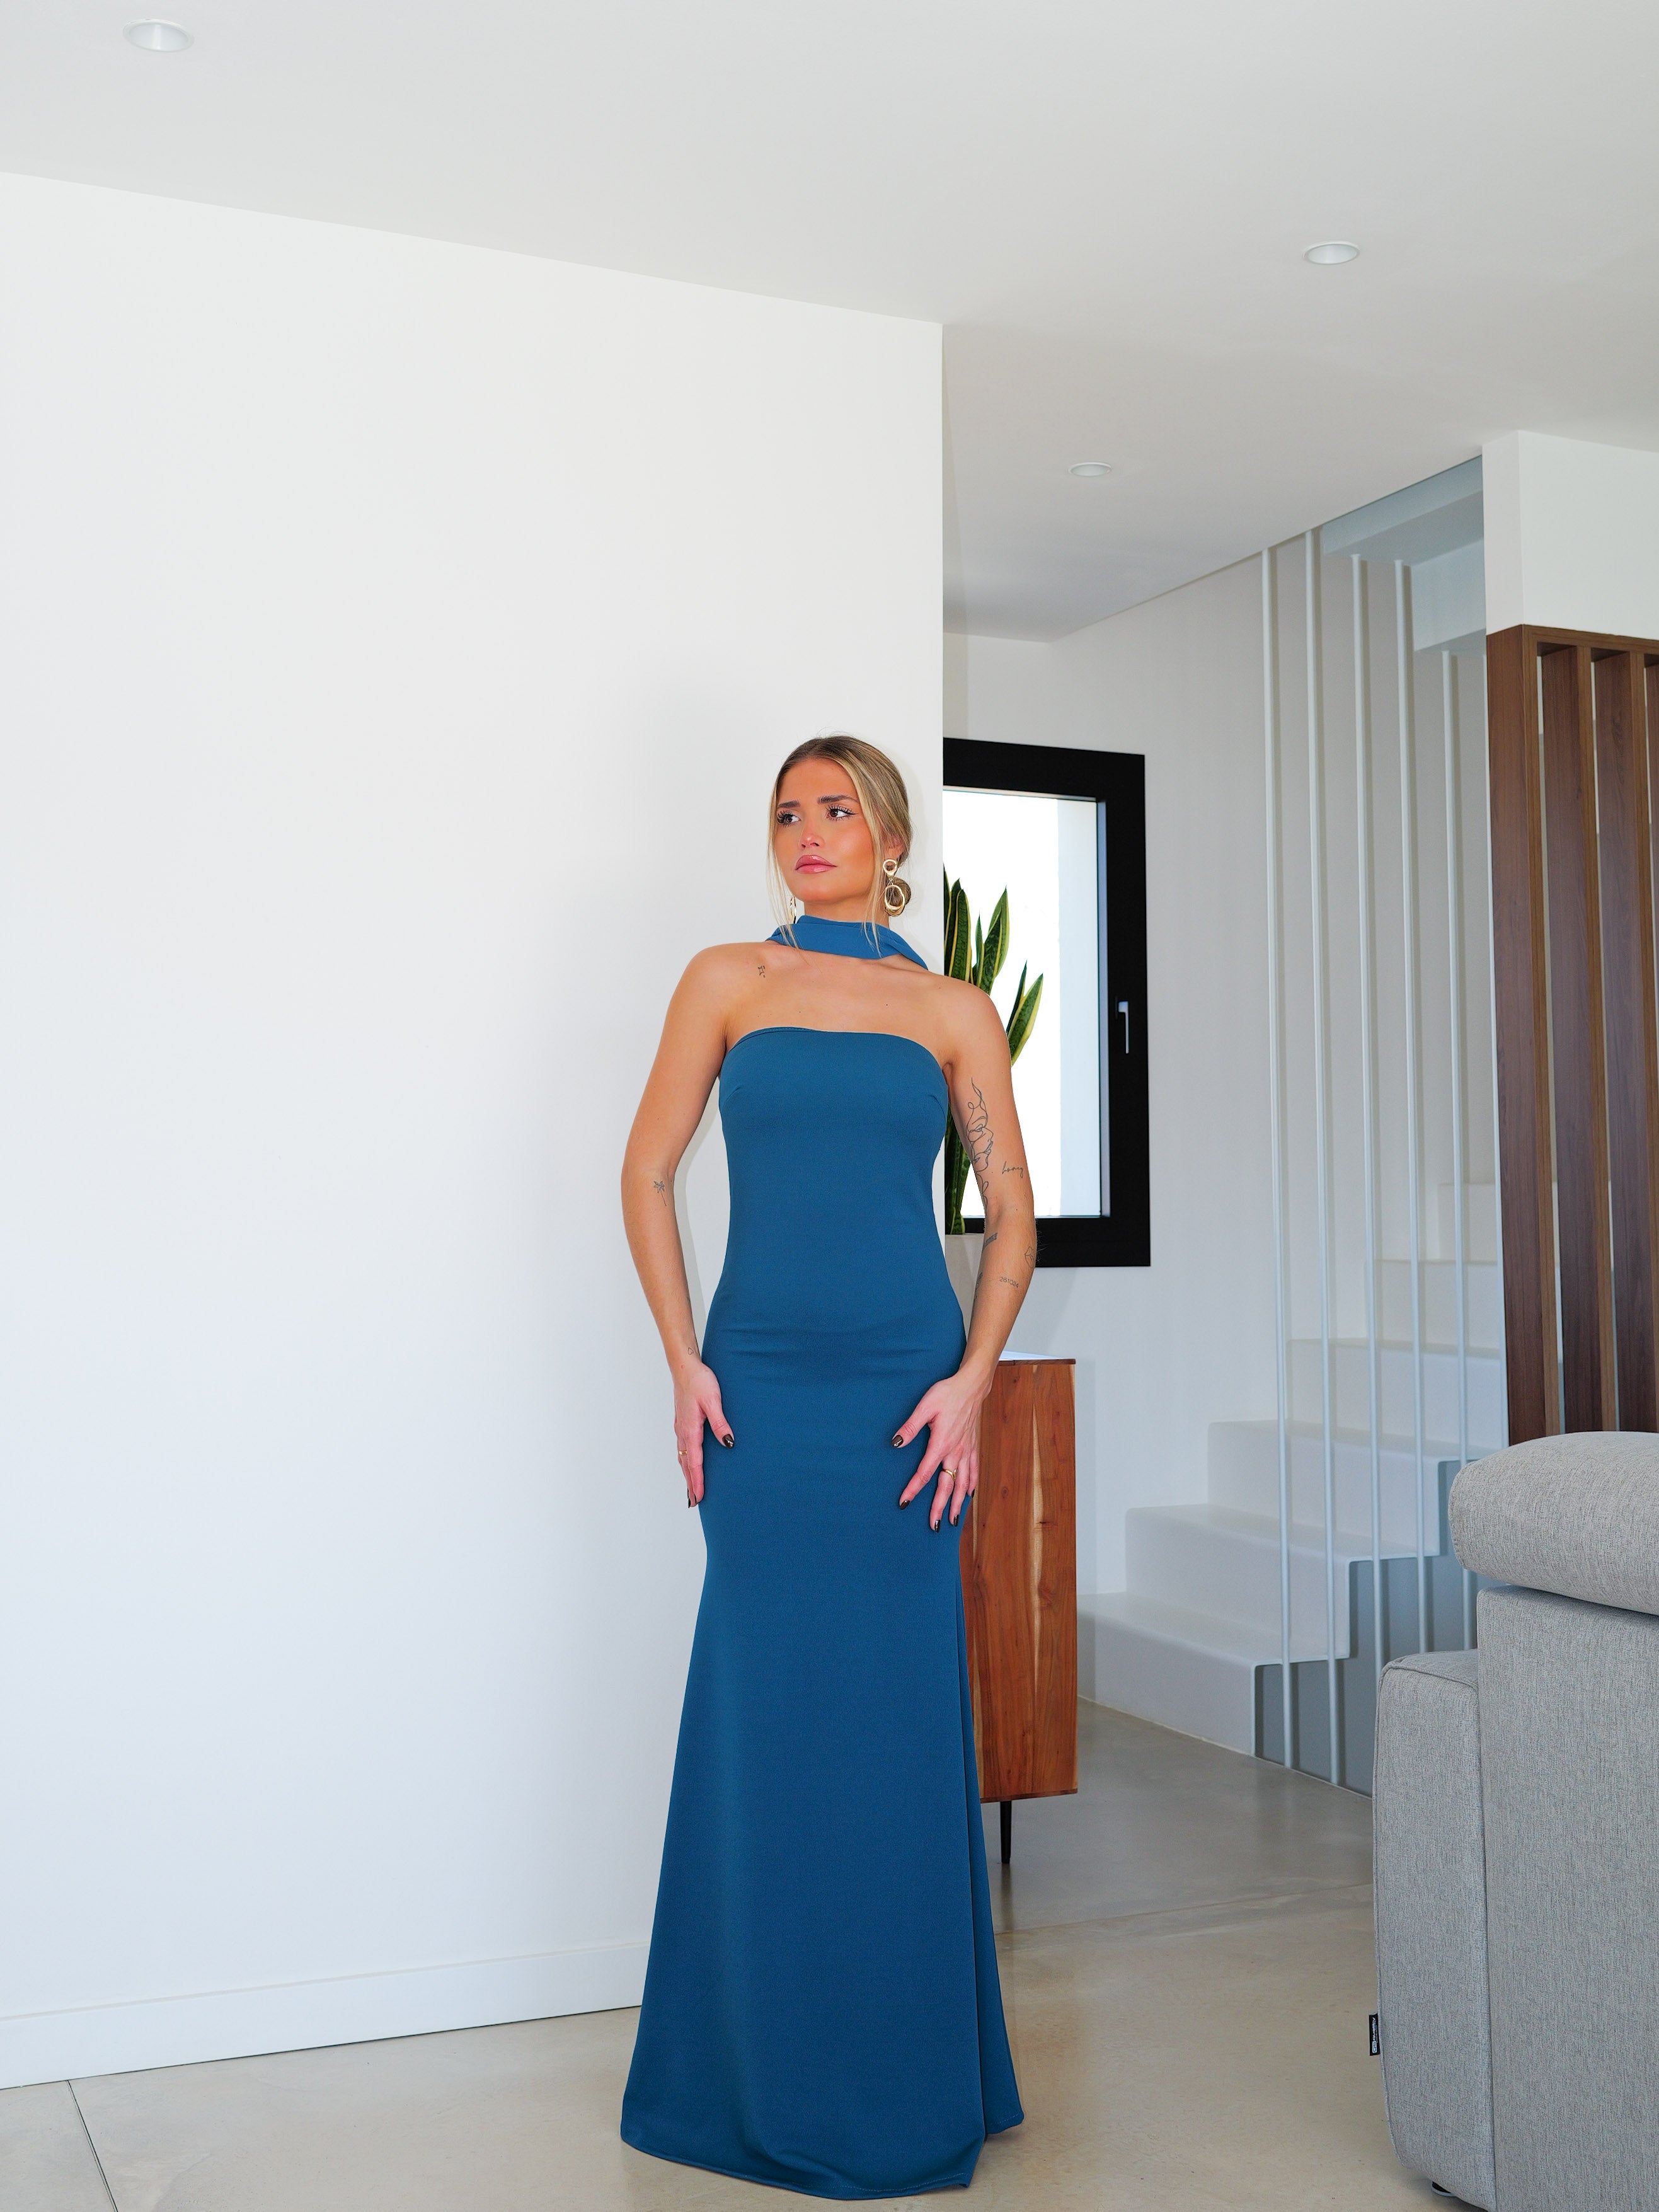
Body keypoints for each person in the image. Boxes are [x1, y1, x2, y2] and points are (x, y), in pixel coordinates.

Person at [618, 734, 1035, 2198]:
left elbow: (1013, 1218)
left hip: (904, 1403)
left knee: (896, 1716)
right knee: (766, 1711)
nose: (808, 830)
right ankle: (739, 2073)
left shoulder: (954, 1012)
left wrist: (974, 1384)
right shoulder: (728, 981)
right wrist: (684, 1360)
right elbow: (646, 1171)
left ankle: (915, 2074)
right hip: (763, 1397)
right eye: (788, 811)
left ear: (890, 837)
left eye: (838, 809)